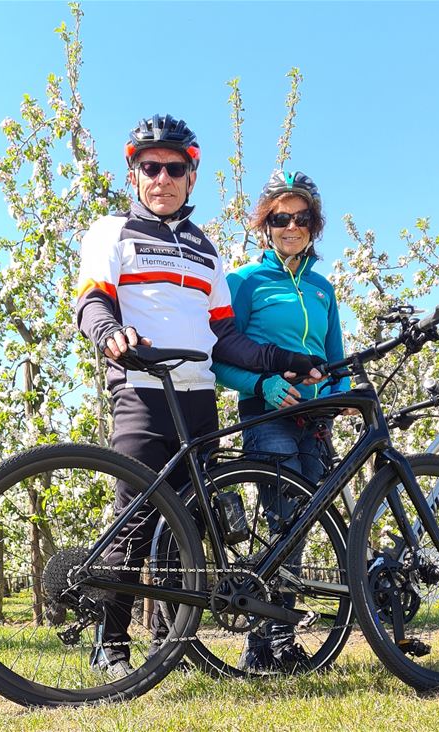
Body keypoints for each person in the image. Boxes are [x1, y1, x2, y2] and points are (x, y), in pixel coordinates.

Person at [76, 115, 320, 677]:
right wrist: (110, 333)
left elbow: (228, 337)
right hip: (141, 391)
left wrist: (288, 360)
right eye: (149, 167)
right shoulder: (110, 231)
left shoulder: (207, 252)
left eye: (174, 168)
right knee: (135, 522)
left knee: (186, 528)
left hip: (198, 399)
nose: (161, 177)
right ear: (134, 173)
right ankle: (110, 645)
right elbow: (93, 300)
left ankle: (171, 645)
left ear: (191, 175)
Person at [211, 169, 351, 672]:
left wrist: (340, 397)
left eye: (302, 217)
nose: (291, 226)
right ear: (264, 225)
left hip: (316, 419)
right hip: (268, 415)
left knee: (304, 524)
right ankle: (265, 642)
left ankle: (278, 639)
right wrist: (262, 385)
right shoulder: (245, 282)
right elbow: (220, 357)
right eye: (280, 217)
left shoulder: (322, 289)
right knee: (280, 524)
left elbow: (336, 359)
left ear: (315, 225)